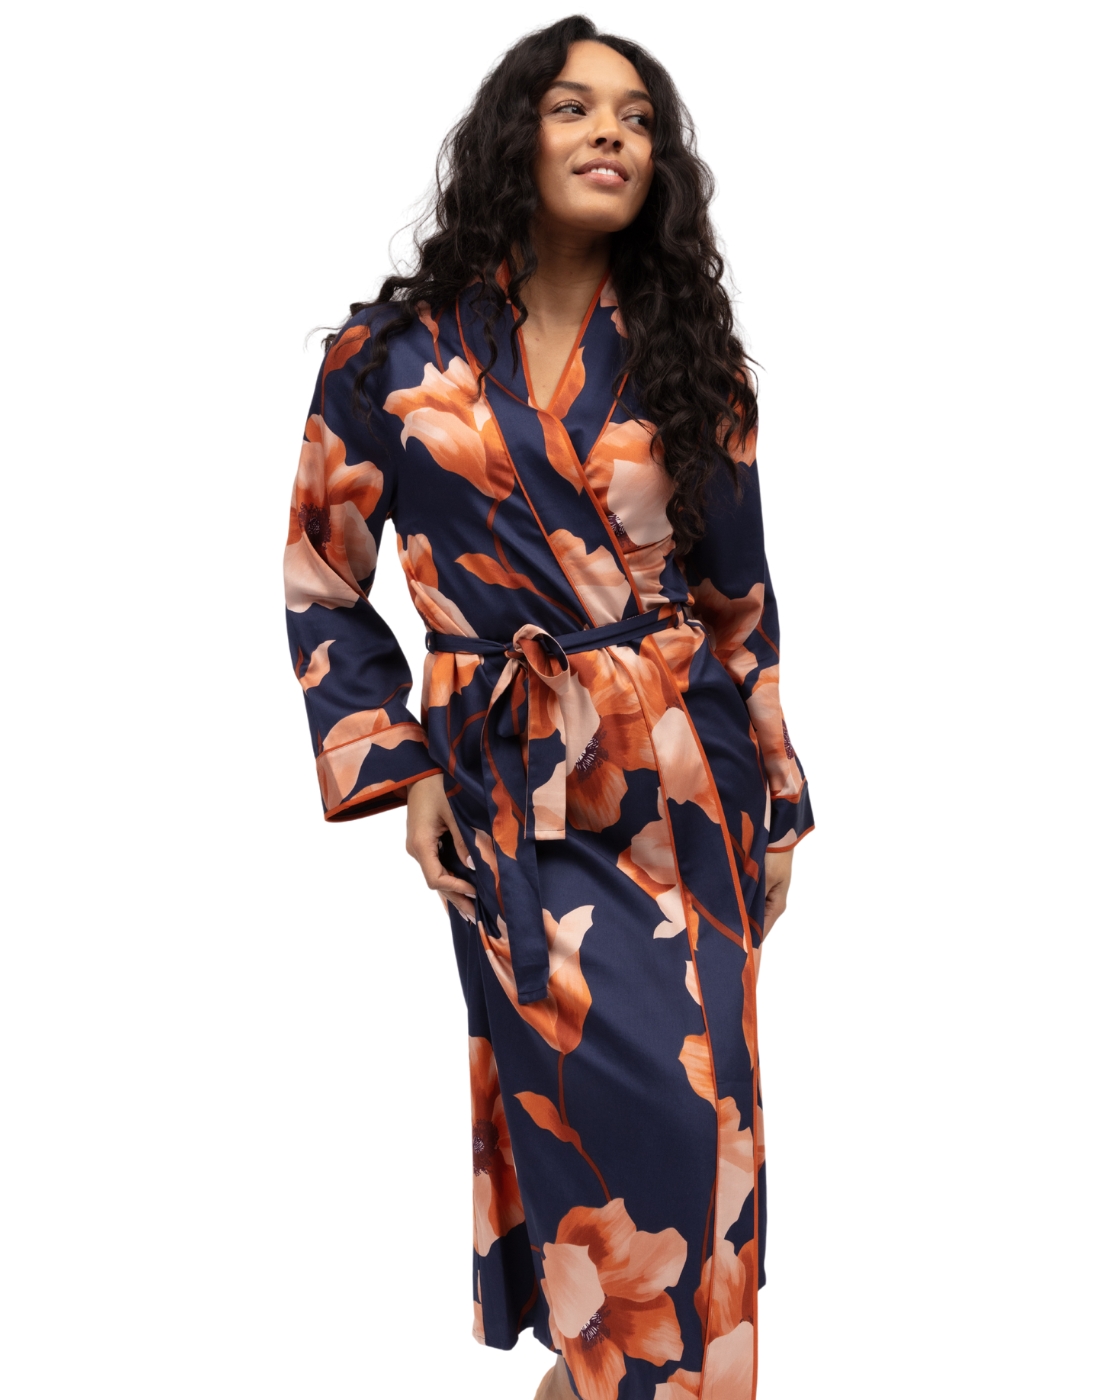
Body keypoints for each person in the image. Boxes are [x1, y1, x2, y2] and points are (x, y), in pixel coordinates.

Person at [284, 16, 813, 1399]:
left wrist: (779, 799)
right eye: (575, 107)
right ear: (513, 136)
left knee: (700, 1152)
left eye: (635, 118)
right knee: (600, 1148)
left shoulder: (692, 363)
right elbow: (323, 579)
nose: (609, 134)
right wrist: (406, 775)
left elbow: (739, 601)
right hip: (513, 795)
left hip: (686, 787)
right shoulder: (391, 359)